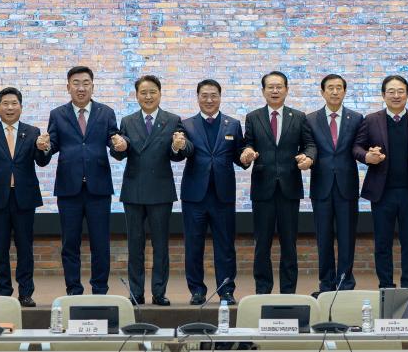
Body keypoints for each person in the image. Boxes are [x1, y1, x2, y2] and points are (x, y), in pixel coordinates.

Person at [36, 66, 123, 295]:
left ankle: (100, 289)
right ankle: (73, 289)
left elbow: (114, 144)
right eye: (76, 83)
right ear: (68, 87)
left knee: (100, 243)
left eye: (86, 83)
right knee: (70, 244)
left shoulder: (106, 112)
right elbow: (52, 146)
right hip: (68, 189)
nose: (81, 88)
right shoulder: (58, 114)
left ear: (93, 86)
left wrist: (120, 146)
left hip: (98, 188)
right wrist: (44, 147)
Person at [352, 75, 408, 304]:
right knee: (383, 243)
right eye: (391, 91)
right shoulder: (371, 120)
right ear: (383, 94)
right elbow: (356, 147)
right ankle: (386, 286)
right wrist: (367, 156)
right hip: (382, 192)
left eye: (400, 91)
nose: (396, 96)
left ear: (407, 94)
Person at [0, 87, 50, 307]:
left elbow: (42, 161)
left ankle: (26, 292)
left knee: (25, 248)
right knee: (0, 248)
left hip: (25, 197)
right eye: (5, 104)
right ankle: (4, 291)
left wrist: (44, 148)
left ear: (21, 107)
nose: (10, 107)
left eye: (14, 103)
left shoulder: (32, 132)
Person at [240, 71, 316, 294]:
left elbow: (309, 144)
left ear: (286, 89)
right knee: (262, 244)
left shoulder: (298, 117)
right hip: (262, 188)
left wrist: (308, 157)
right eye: (270, 87)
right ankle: (263, 290)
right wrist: (247, 153)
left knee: (289, 244)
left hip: (289, 188)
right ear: (263, 91)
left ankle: (288, 292)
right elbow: (248, 144)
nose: (275, 91)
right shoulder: (253, 117)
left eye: (279, 87)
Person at [111, 75, 183, 306]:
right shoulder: (128, 121)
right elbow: (119, 152)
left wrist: (177, 146)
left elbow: (178, 154)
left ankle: (159, 293)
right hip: (134, 191)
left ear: (160, 94)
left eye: (152, 92)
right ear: (136, 96)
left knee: (160, 246)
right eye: (143, 92)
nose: (148, 96)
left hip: (161, 191)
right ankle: (136, 292)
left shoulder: (172, 120)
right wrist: (119, 147)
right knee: (135, 245)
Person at [176, 79, 245, 304]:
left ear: (220, 97)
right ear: (197, 97)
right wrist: (178, 146)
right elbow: (183, 151)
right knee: (194, 246)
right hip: (194, 196)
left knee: (225, 246)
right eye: (204, 95)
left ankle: (226, 290)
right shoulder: (186, 125)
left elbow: (239, 155)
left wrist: (246, 157)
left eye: (213, 95)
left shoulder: (233, 124)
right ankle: (197, 291)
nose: (209, 100)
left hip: (223, 196)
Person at [307, 74, 364, 295]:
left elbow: (359, 147)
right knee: (323, 238)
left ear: (345, 91)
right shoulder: (310, 119)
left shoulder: (356, 118)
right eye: (330, 88)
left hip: (346, 186)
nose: (334, 91)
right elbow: (308, 147)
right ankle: (326, 285)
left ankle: (345, 284)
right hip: (321, 186)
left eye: (339, 87)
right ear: (322, 92)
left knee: (347, 238)